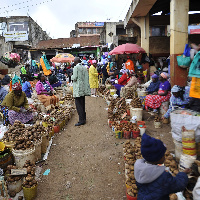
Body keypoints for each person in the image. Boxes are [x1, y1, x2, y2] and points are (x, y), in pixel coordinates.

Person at [134, 133, 190, 200]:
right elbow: (179, 185)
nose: (165, 156)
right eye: (163, 155)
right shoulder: (163, 177)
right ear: (158, 158)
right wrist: (183, 173)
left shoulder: (138, 168)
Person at [71, 57, 90, 126]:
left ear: (75, 62)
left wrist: (71, 76)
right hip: (83, 89)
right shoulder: (84, 67)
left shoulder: (76, 67)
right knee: (82, 104)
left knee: (78, 105)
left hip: (78, 89)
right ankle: (84, 118)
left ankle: (81, 120)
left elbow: (75, 77)